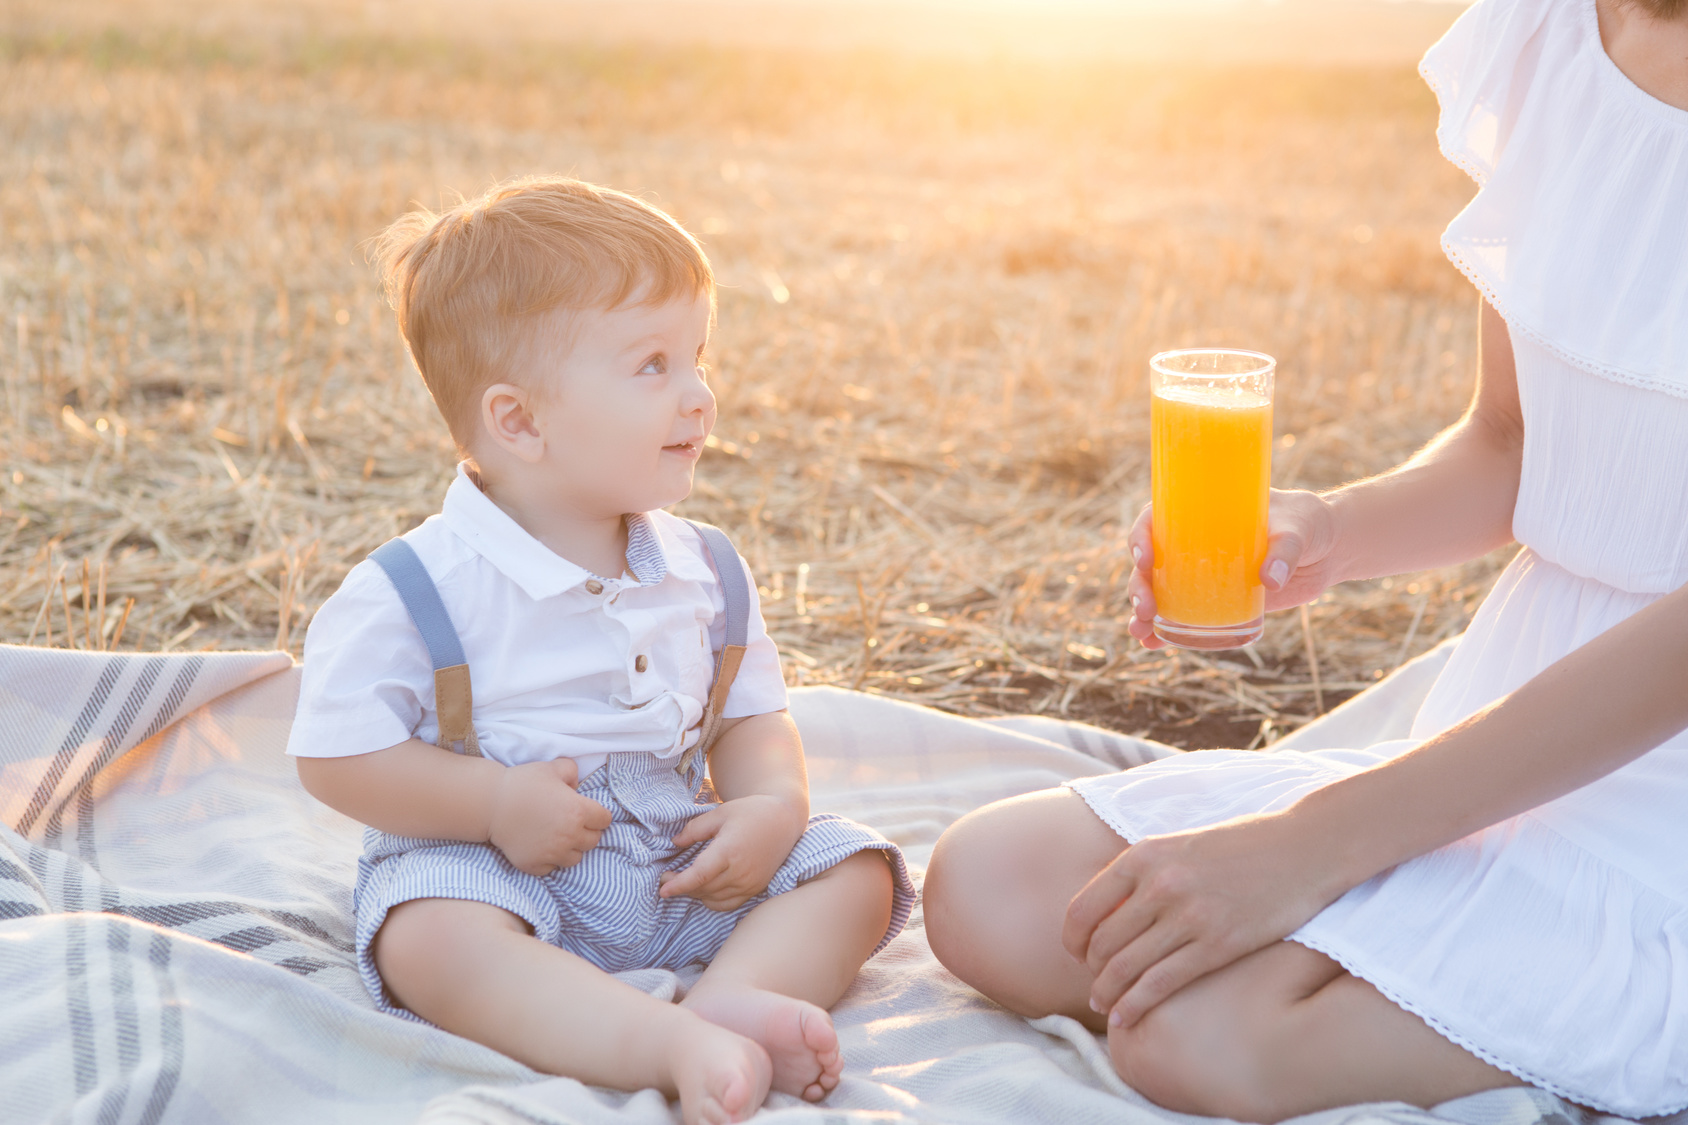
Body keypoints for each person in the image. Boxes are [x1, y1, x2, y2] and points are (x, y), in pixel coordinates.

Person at [922, 0, 1688, 1119]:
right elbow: (1512, 445)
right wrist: (1323, 531)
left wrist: (1306, 847)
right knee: (988, 888)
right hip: (1507, 705)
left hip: (1654, 772)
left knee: (1197, 1042)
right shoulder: (1547, 37)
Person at [286, 176, 914, 1125]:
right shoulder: (417, 588)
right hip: (494, 866)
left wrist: (771, 807)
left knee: (854, 871)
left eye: (698, 356)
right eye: (653, 365)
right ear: (520, 421)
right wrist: (492, 802)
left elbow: (749, 714)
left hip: (678, 857)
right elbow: (336, 756)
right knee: (426, 939)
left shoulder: (704, 568)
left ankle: (728, 1001)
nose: (701, 395)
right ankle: (662, 1042)